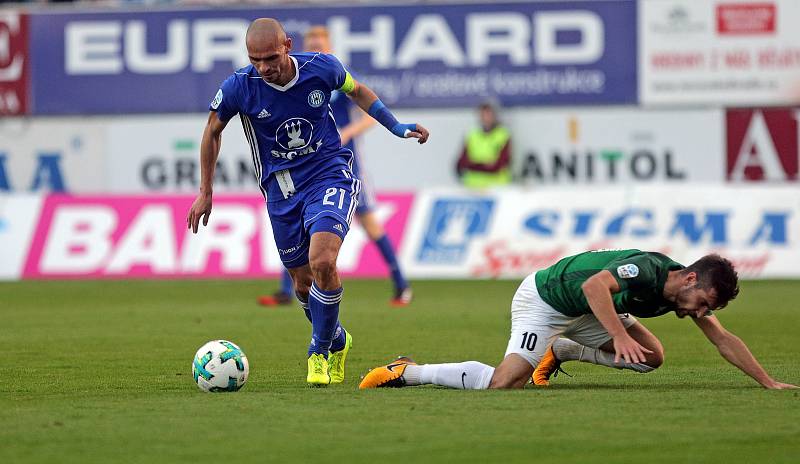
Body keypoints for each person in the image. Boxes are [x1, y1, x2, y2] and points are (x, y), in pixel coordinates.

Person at [186, 18, 429, 387]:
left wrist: (396, 127)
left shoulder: (322, 68)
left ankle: (318, 352)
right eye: (255, 60)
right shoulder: (239, 86)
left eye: (269, 57)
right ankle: (338, 340)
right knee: (302, 284)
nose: (264, 67)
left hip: (329, 174)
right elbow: (212, 132)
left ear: (286, 44)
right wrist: (206, 191)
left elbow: (359, 91)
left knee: (323, 261)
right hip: (281, 189)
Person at [359, 249, 797, 390]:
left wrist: (767, 382)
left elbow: (723, 340)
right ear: (690, 278)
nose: (701, 313)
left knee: (650, 357)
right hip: (546, 299)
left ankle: (564, 350)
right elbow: (594, 288)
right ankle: (408, 371)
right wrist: (614, 335)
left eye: (708, 310)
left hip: (589, 311)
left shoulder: (683, 297)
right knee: (503, 385)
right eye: (704, 302)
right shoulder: (648, 269)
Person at [258, 25, 413, 308]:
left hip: (346, 160)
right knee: (299, 221)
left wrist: (349, 132)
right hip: (310, 162)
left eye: (320, 42)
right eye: (312, 42)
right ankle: (287, 289)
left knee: (368, 221)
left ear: (329, 45)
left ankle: (401, 284)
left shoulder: (335, 71)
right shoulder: (296, 76)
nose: (316, 46)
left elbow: (368, 110)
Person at [455, 100, 512, 189]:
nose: (486, 118)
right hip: (472, 188)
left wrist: (473, 165)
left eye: (488, 114)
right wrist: (485, 165)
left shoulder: (503, 135)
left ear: (494, 116)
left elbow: (498, 166)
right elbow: (461, 164)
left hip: (496, 188)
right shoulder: (471, 135)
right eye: (483, 114)